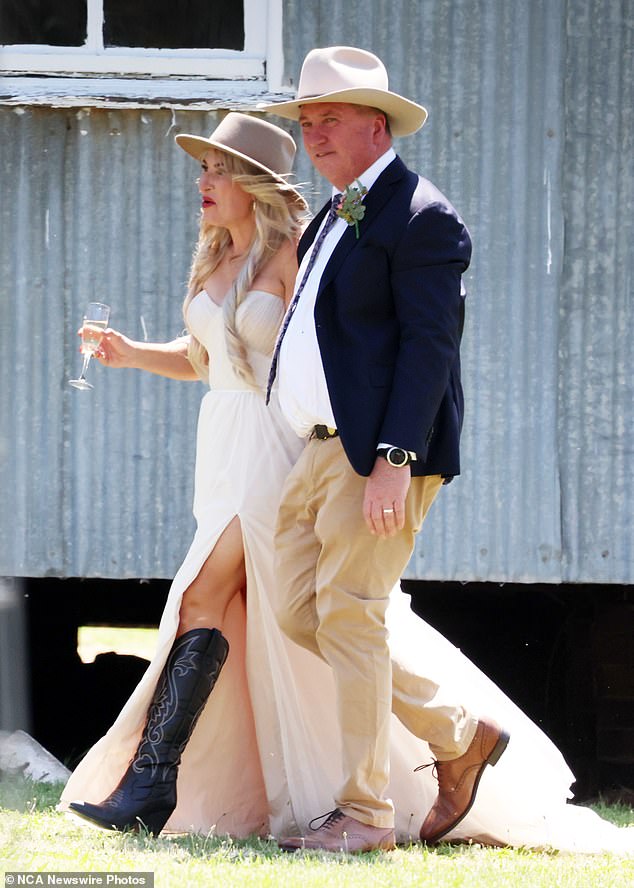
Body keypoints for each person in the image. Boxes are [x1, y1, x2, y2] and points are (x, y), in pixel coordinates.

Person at [260, 46, 634, 854]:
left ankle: (363, 815)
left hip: (375, 455)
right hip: (319, 453)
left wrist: (394, 456)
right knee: (298, 612)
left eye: (330, 119)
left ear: (375, 123)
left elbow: (432, 345)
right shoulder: (332, 213)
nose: (315, 133)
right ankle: (460, 738)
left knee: (352, 619)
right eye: (307, 121)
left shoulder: (423, 215)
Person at [61, 112, 311, 836]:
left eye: (218, 169)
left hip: (273, 447)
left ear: (255, 184)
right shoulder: (216, 254)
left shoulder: (292, 252)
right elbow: (209, 360)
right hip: (223, 446)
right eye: (202, 168)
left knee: (198, 597)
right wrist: (132, 352)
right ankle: (170, 786)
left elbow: (323, 356)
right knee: (246, 616)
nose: (202, 182)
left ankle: (149, 786)